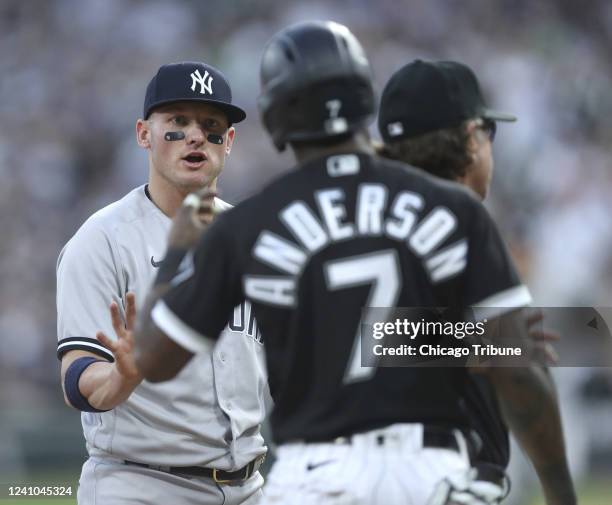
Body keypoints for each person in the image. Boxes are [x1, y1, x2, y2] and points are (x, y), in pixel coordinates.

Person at [134, 21, 575, 505]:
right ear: (365, 98)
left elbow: (153, 360)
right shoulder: (453, 208)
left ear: (276, 116)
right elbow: (518, 370)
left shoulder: (248, 225)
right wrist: (561, 493)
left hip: (313, 474)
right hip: (431, 470)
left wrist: (178, 251)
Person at [56, 61, 268, 505]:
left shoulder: (255, 238)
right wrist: (120, 376)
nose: (195, 136)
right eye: (177, 122)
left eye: (211, 126)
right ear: (143, 134)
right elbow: (77, 377)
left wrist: (442, 340)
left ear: (228, 142)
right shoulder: (103, 240)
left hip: (251, 489)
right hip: (141, 486)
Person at [377, 59, 560, 503]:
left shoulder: (361, 216)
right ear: (470, 139)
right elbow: (375, 336)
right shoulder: (455, 220)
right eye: (488, 133)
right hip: (436, 472)